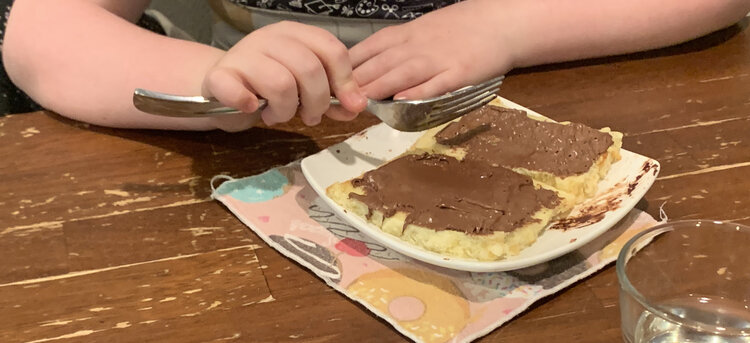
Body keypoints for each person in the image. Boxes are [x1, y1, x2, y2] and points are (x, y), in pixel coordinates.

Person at [3, 0, 749, 131]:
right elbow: (45, 31)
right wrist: (208, 79)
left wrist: (511, 22)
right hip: (289, 137)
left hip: (560, 78)